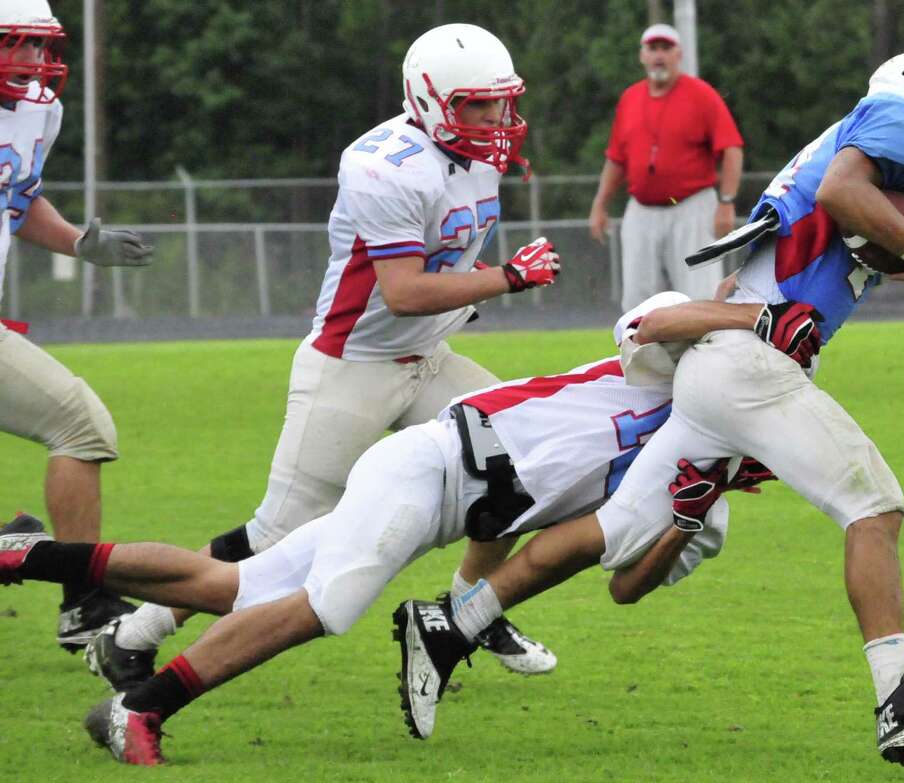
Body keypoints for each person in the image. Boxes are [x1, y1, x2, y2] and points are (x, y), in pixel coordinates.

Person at [396, 50, 904, 766]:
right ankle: (900, 700)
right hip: (752, 364)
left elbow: (862, 221)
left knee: (613, 528)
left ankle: (451, 625)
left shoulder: (862, 147)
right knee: (874, 507)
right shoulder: (899, 122)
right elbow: (847, 192)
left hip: (724, 367)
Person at [0, 292, 782, 765]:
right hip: (433, 463)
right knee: (325, 607)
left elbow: (625, 586)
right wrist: (758, 316)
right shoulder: (676, 366)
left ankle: (28, 555)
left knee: (230, 586)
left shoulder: (701, 497)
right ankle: (142, 707)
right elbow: (649, 320)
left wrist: (684, 519)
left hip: (443, 504)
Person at [80, 23, 565, 691]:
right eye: (478, 104)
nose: (495, 118)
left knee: (513, 461)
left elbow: (444, 260)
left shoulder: (475, 155)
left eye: (500, 102)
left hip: (427, 357)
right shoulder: (383, 165)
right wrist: (507, 278)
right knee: (275, 536)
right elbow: (403, 291)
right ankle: (134, 634)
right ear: (429, 100)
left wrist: (484, 280)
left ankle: (467, 611)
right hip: (353, 367)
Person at [0, 0, 154, 652]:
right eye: (15, 42)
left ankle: (64, 585)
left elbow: (17, 195)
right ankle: (78, 597)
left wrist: (76, 243)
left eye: (40, 45)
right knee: (79, 423)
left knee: (79, 424)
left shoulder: (39, 110)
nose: (33, 60)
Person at [588, 23, 745, 310]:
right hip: (642, 211)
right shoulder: (630, 98)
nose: (659, 55)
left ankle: (706, 342)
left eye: (666, 48)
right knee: (637, 303)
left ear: (678, 54)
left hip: (692, 208)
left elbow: (731, 149)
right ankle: (642, 342)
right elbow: (616, 159)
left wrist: (726, 202)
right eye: (653, 49)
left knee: (700, 297)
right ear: (642, 55)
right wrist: (600, 204)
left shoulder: (701, 94)